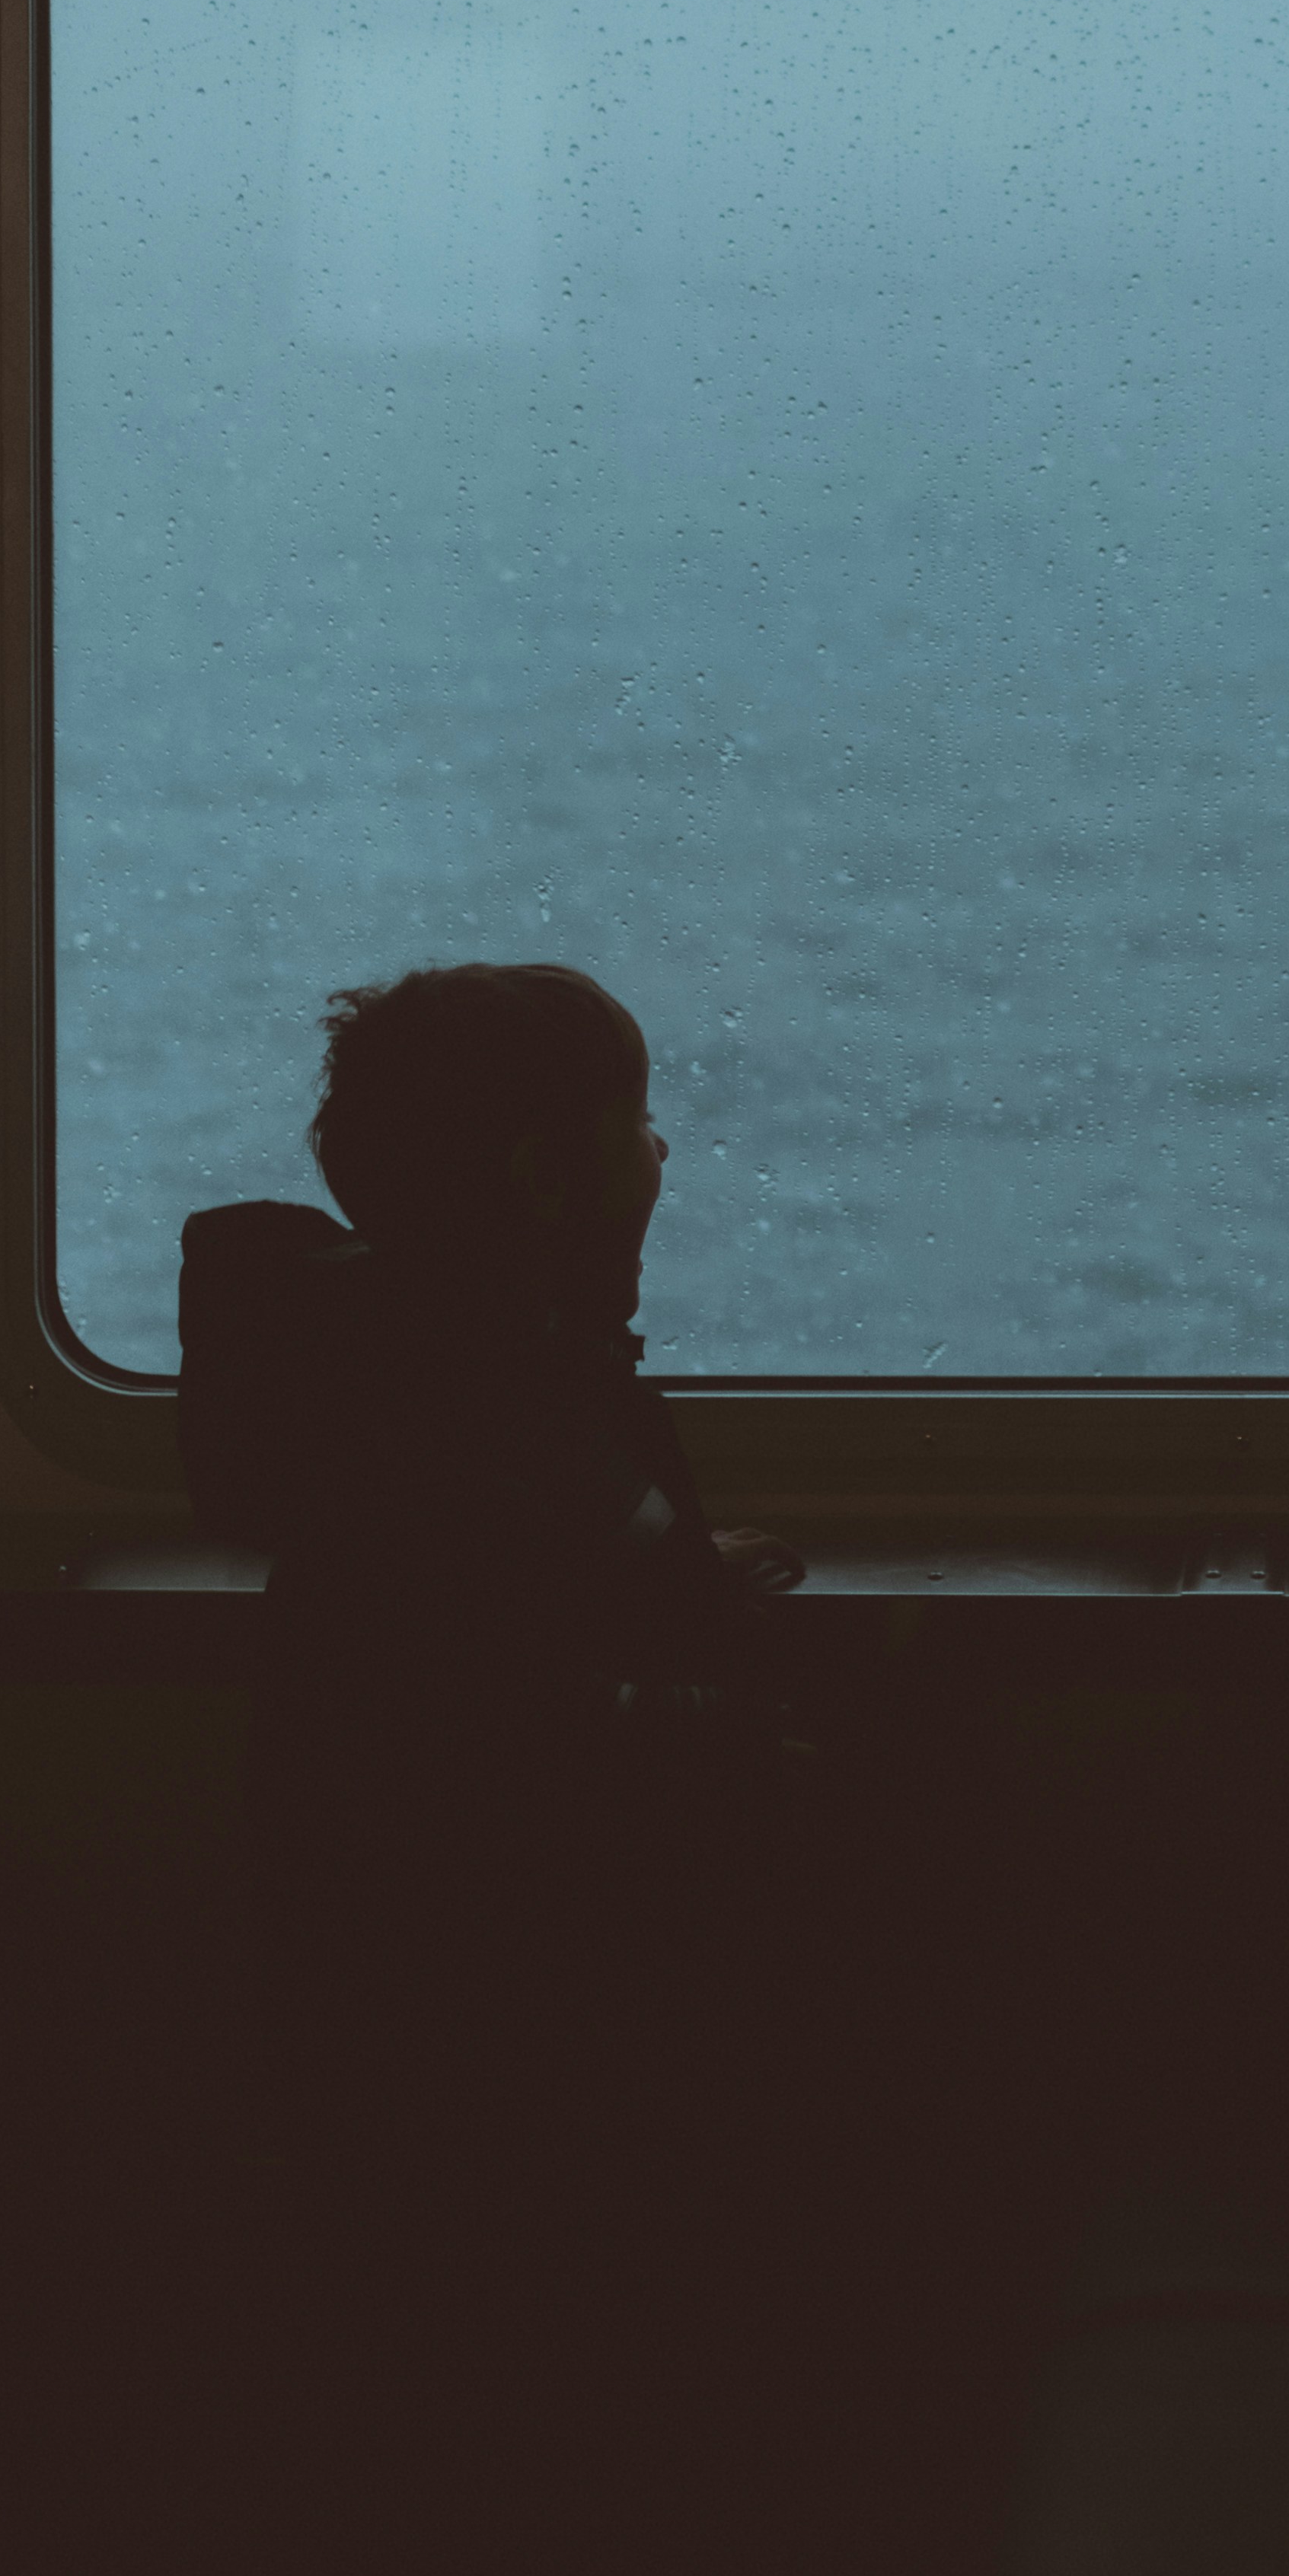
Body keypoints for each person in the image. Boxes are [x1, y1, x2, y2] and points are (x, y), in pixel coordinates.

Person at [176, 961, 801, 2274]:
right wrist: (743, 1738)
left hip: (412, 2025)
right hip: (492, 2049)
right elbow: (490, 1739)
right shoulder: (473, 1437)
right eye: (636, 1118)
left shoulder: (439, 1385)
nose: (663, 1147)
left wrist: (672, 1577)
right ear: (540, 1176)